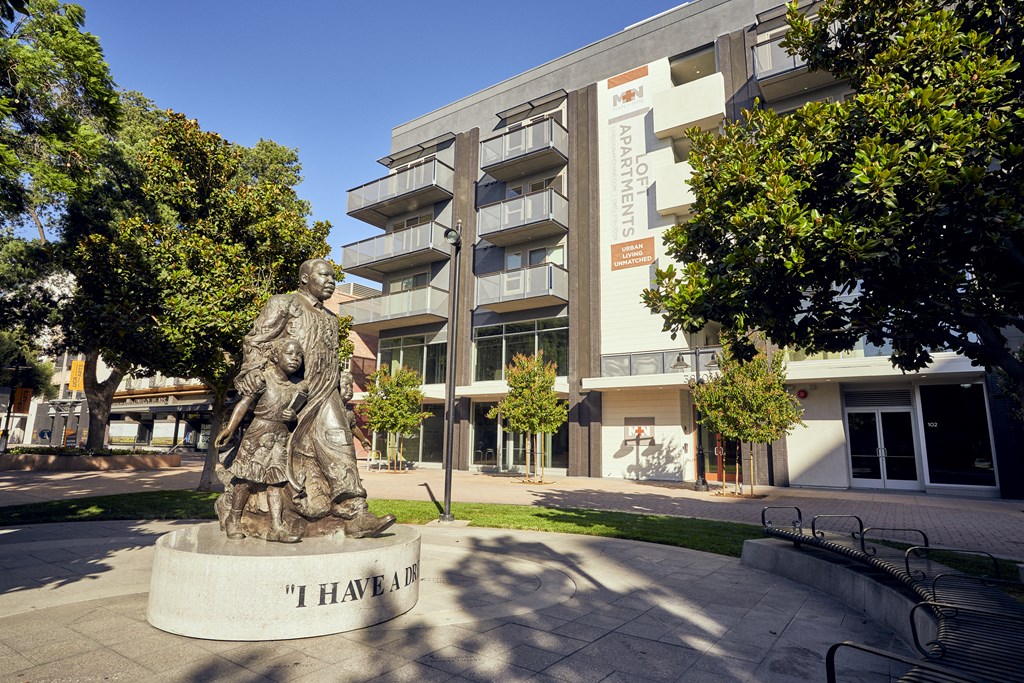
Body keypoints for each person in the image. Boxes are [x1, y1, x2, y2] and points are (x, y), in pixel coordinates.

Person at [234, 258, 394, 538]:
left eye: (334, 277)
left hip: (325, 392)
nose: (331, 281)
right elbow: (256, 341)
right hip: (292, 393)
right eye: (324, 275)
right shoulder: (285, 303)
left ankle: (356, 512)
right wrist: (252, 372)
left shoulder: (331, 318)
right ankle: (265, 515)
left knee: (341, 445)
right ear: (306, 278)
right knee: (280, 460)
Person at [215, 339, 307, 543]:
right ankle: (234, 518)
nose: (295, 359)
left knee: (276, 483)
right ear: (276, 356)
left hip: (279, 437)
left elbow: (297, 416)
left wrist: (292, 417)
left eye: (299, 355)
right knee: (247, 480)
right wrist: (230, 428)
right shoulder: (262, 379)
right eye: (290, 353)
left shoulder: (298, 387)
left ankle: (276, 526)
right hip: (258, 435)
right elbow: (244, 403)